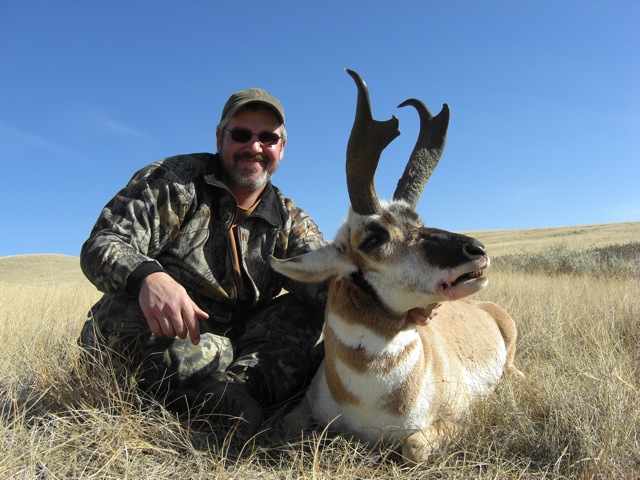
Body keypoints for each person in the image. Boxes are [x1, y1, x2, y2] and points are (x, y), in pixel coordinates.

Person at [78, 87, 328, 441]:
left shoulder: (288, 219)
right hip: (174, 332)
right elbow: (103, 244)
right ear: (219, 138)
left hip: (241, 338)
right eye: (241, 134)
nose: (254, 147)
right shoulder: (174, 180)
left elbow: (328, 282)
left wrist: (400, 300)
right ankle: (237, 388)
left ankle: (232, 391)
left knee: (305, 312)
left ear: (281, 148)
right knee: (118, 319)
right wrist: (149, 277)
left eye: (268, 138)